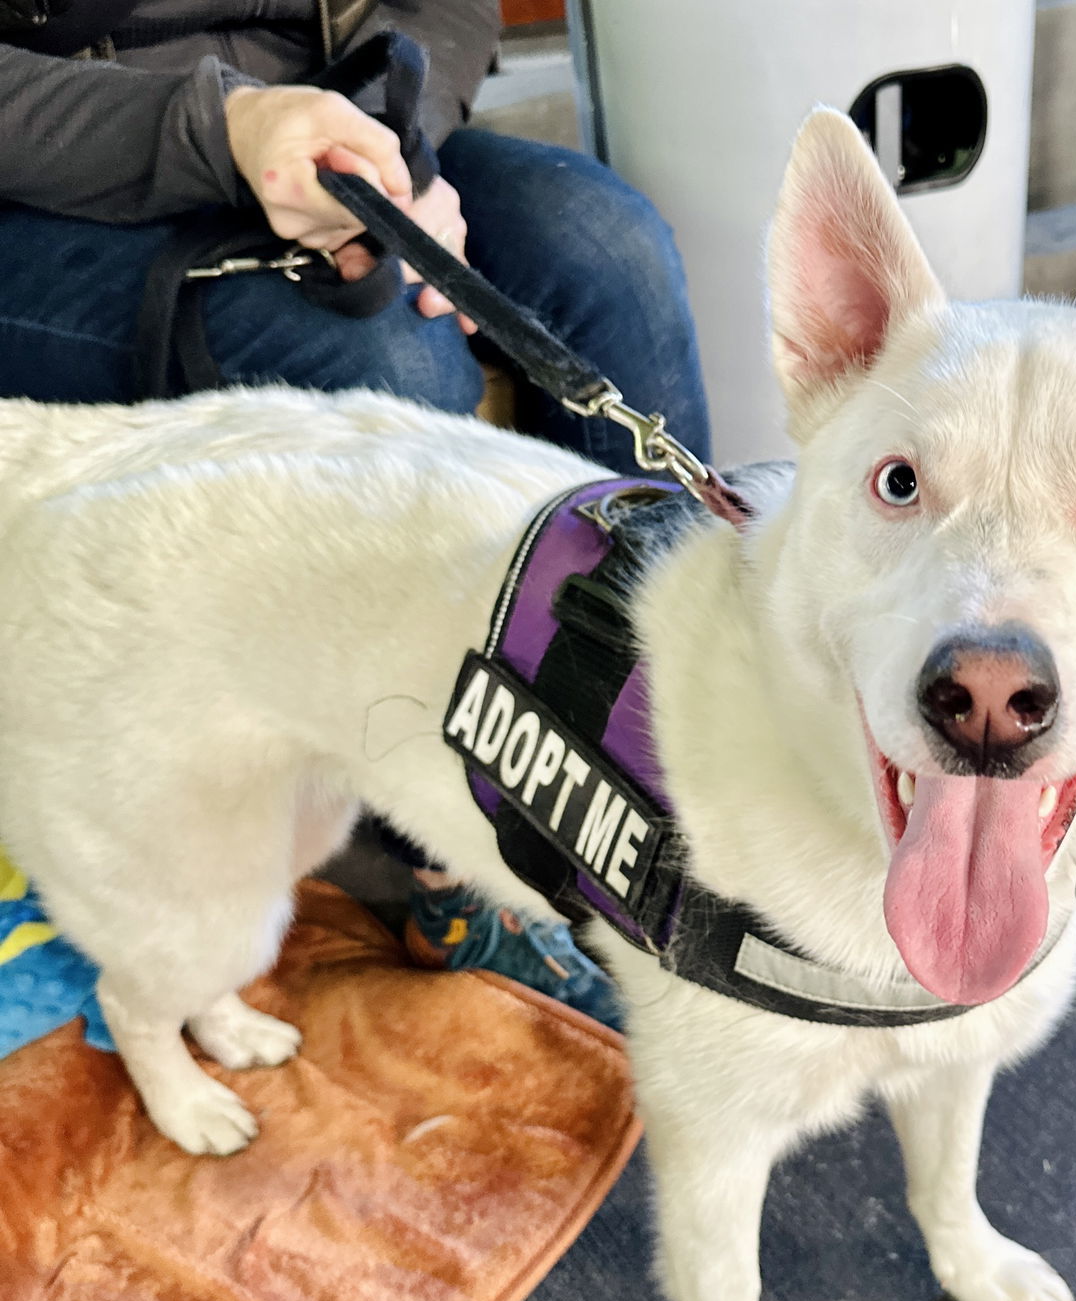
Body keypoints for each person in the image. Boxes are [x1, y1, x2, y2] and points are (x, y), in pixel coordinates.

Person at [0, 0, 712, 1028]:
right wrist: (227, 132)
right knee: (384, 360)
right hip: (61, 174)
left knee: (610, 252)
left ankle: (676, 781)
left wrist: (387, 141)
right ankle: (453, 875)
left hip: (327, 126)